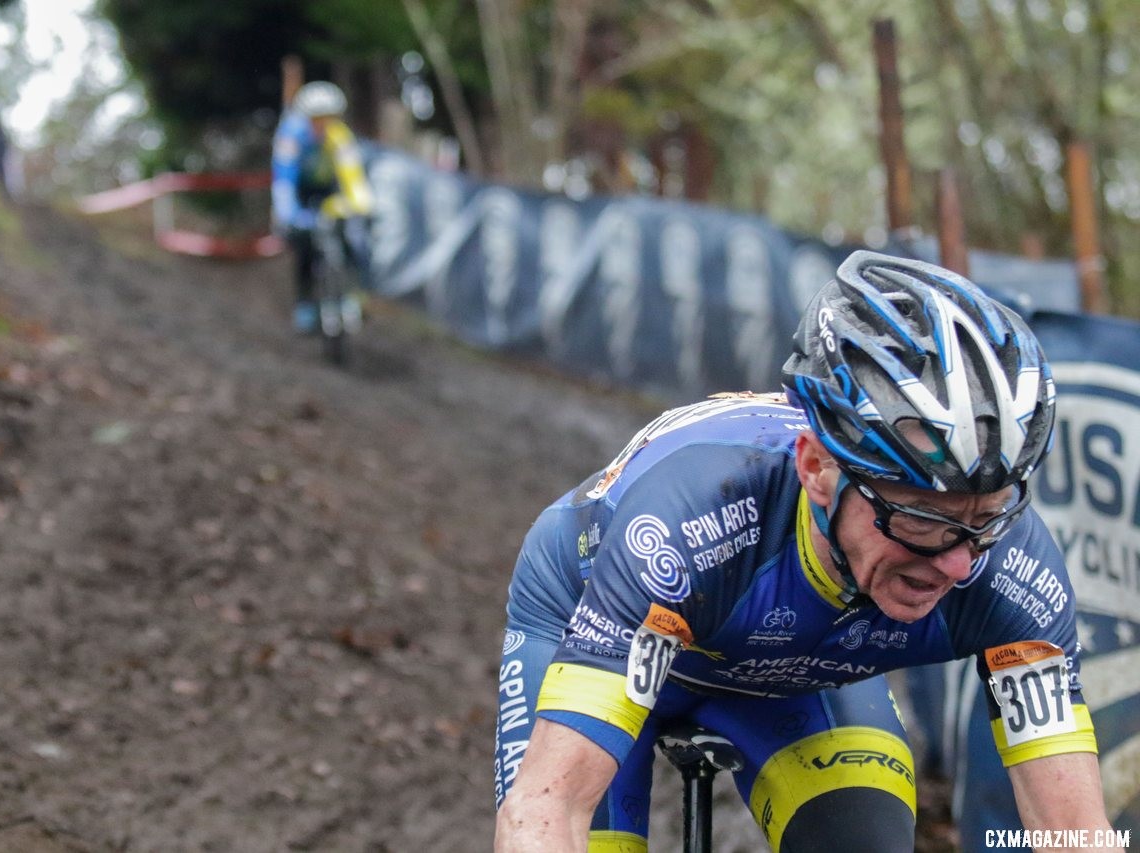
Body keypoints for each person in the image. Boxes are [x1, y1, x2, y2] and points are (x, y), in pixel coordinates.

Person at [494, 251, 1122, 852]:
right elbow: (546, 806)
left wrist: (956, 526)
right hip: (590, 621)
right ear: (818, 469)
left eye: (986, 519)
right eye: (922, 520)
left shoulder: (1013, 570)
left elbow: (1075, 835)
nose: (959, 564)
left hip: (796, 670)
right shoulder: (694, 520)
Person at [271, 80, 373, 334]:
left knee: (352, 238)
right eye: (318, 118)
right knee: (305, 247)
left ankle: (352, 295)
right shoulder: (291, 136)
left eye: (330, 118)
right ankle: (305, 303)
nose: (324, 124)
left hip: (328, 191)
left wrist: (360, 204)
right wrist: (289, 213)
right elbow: (284, 180)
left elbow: (353, 178)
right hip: (300, 191)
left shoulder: (341, 137)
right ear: (307, 118)